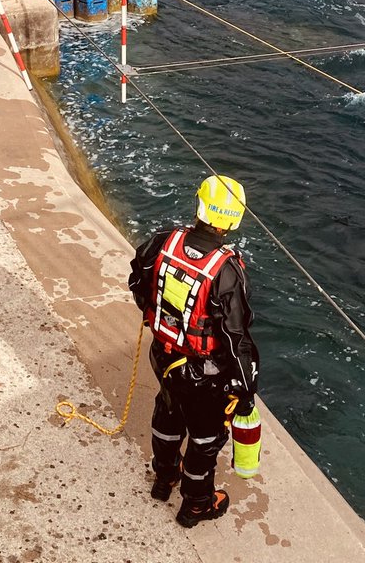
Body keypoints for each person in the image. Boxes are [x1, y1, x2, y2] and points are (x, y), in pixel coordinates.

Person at [129, 175, 259, 529]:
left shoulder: (162, 242)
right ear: (234, 220)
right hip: (204, 375)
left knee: (168, 413)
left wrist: (150, 309)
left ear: (199, 205)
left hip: (165, 356)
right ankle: (197, 505)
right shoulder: (227, 271)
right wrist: (245, 391)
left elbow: (138, 280)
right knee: (205, 438)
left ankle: (164, 478)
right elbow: (236, 339)